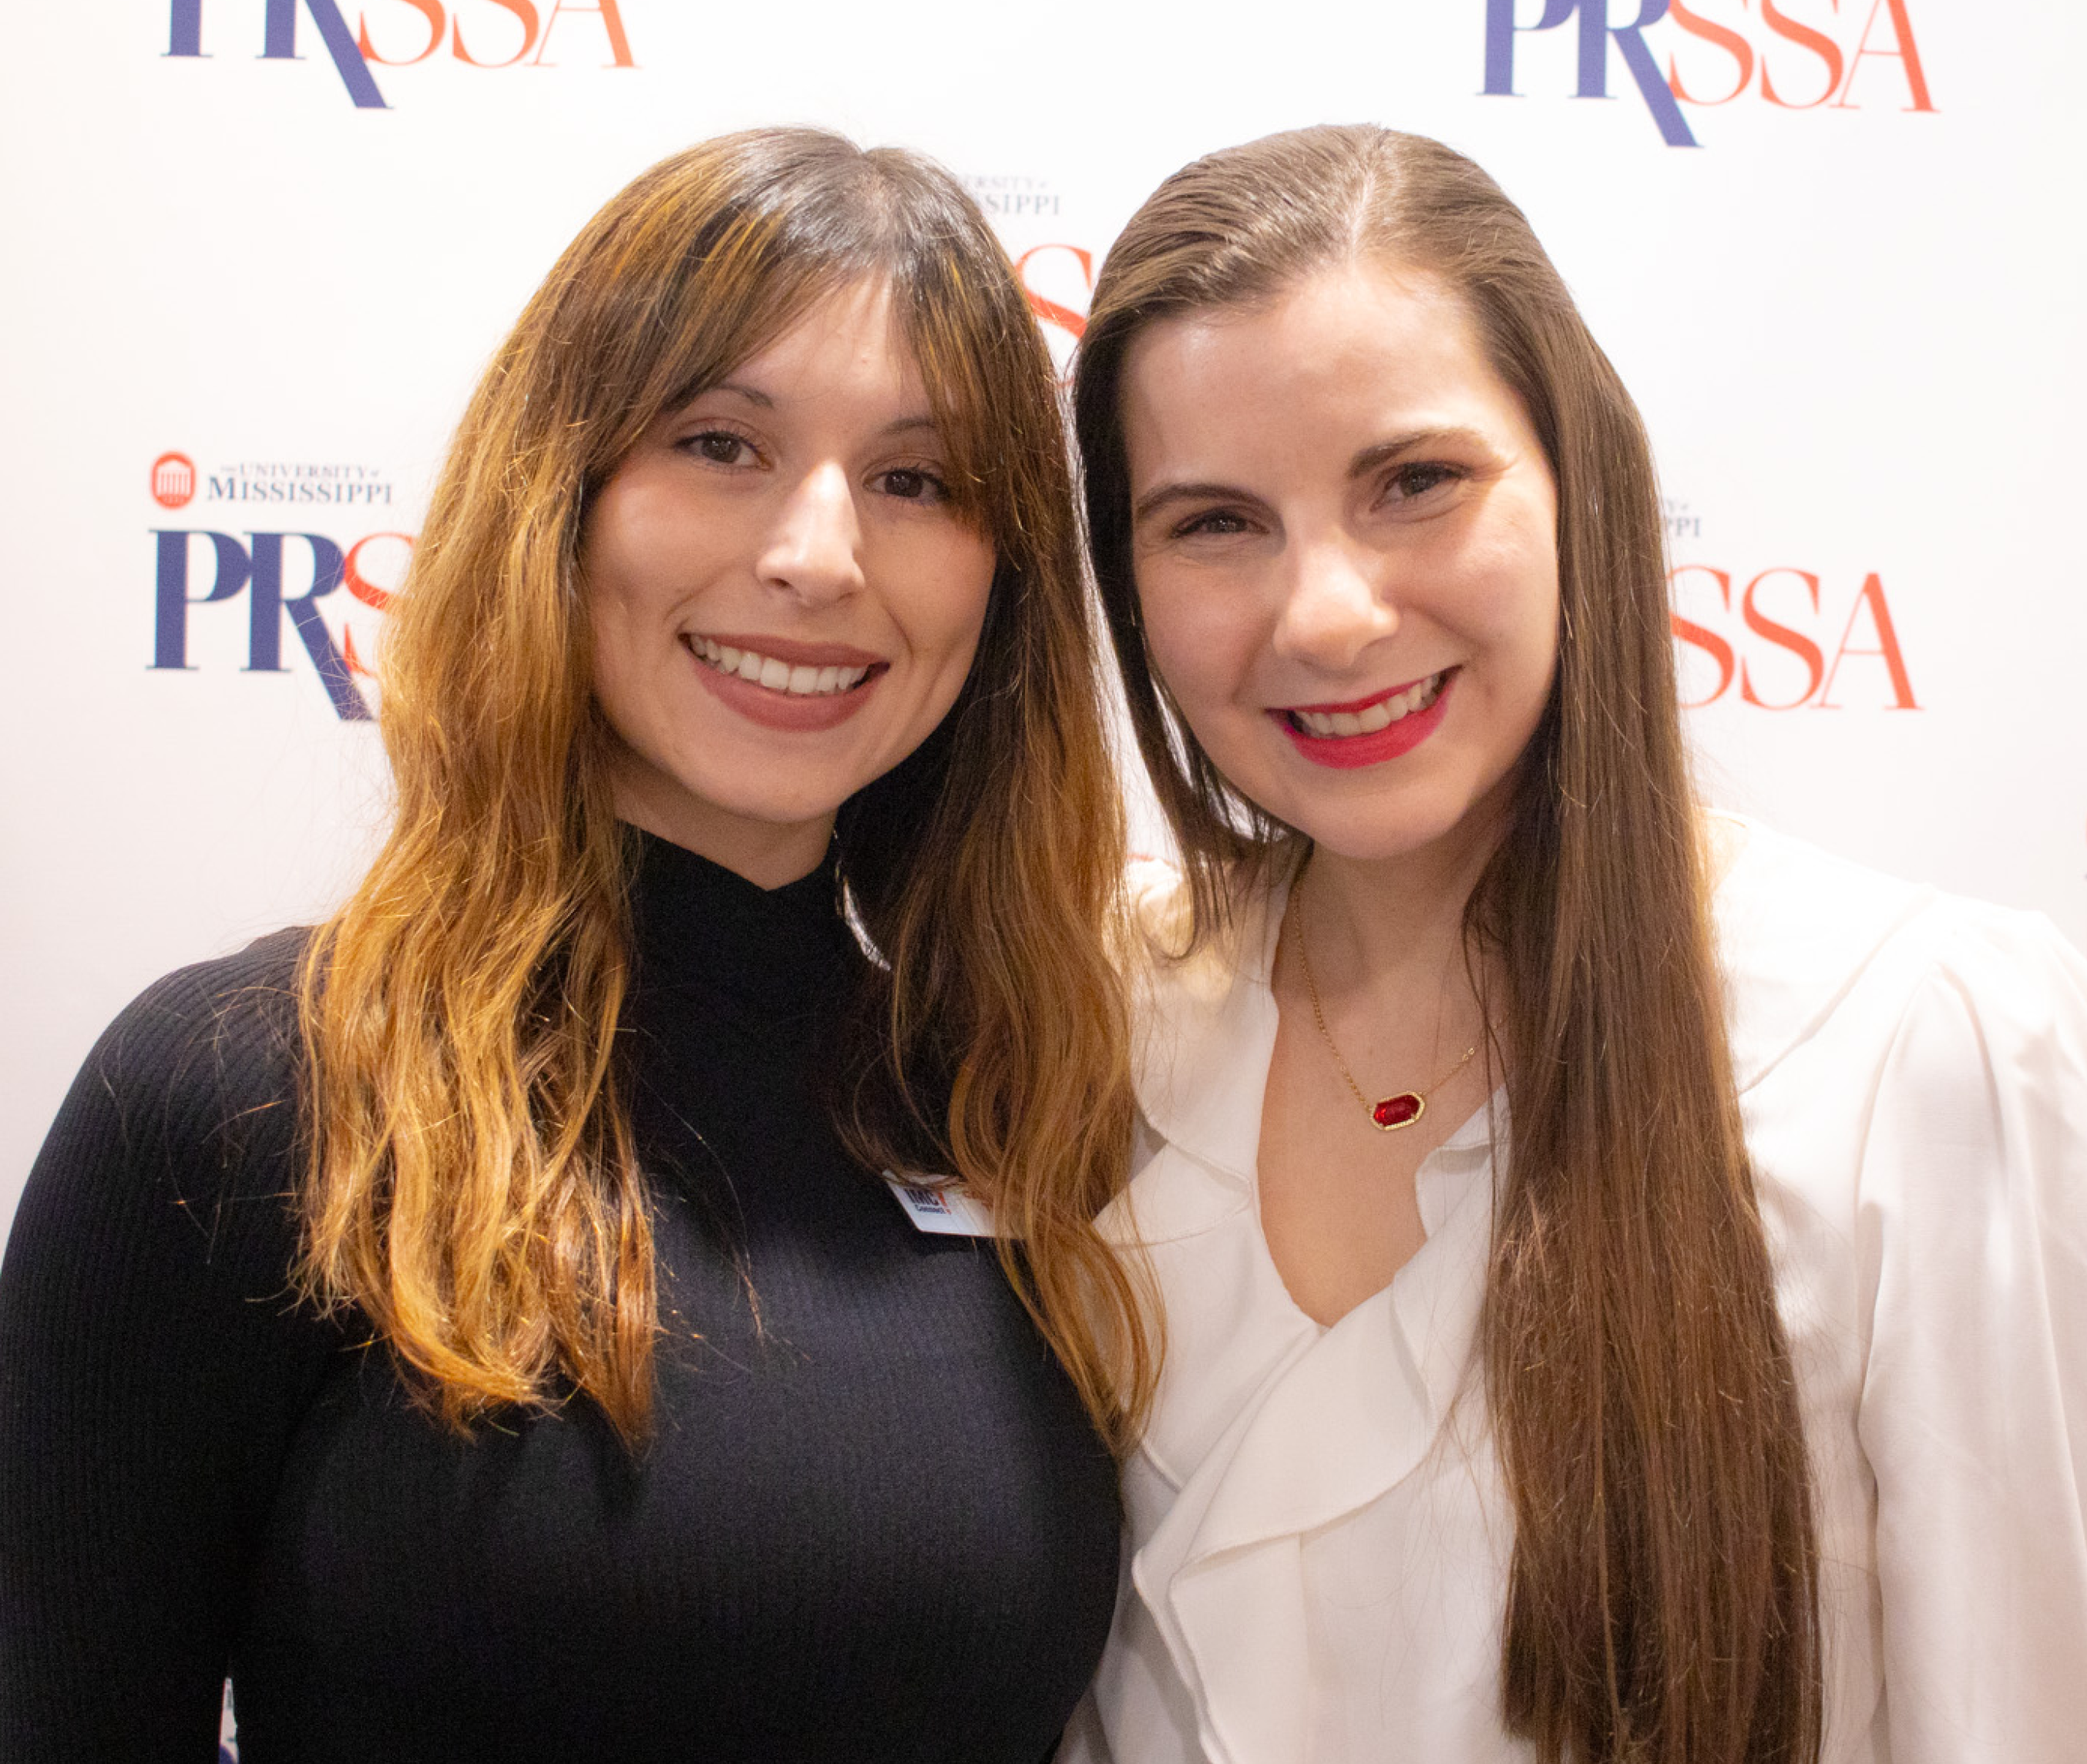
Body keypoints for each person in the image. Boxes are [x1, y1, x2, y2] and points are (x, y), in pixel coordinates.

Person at [0, 129, 1155, 1762]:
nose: (819, 554)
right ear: (564, 492)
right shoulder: (245, 1092)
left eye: (918, 480)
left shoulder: (1019, 1110)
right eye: (719, 442)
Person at [1060, 123, 2087, 1764]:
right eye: (1212, 522)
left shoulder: (1912, 1034)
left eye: (1414, 484)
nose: (1325, 613)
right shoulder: (1090, 1014)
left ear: (1578, 484)